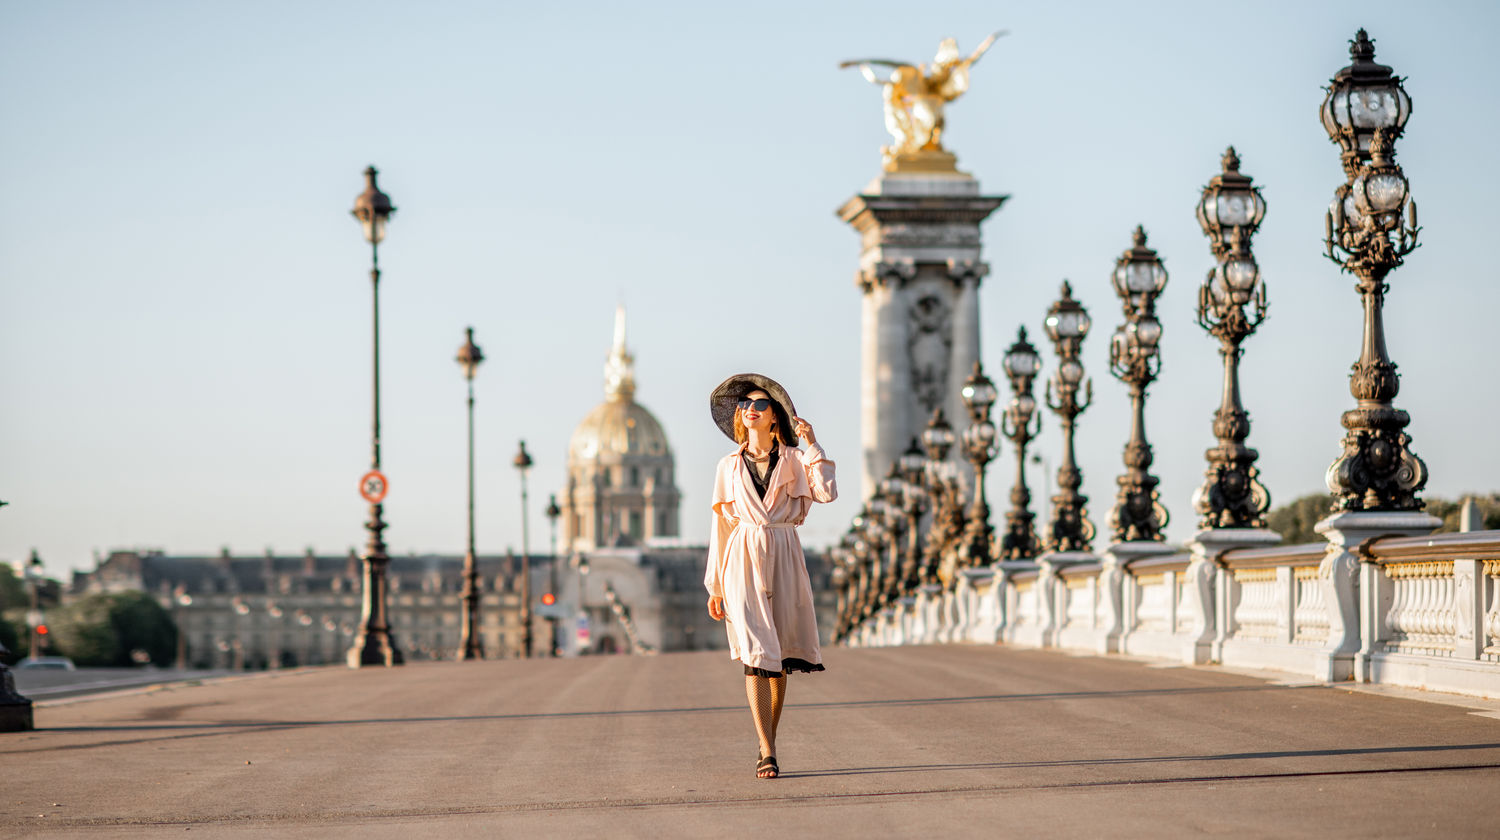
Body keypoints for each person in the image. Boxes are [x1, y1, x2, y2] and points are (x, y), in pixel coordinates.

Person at [705, 373, 837, 779]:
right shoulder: (728, 466)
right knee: (755, 653)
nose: (750, 409)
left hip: (784, 552)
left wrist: (812, 444)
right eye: (745, 404)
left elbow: (826, 493)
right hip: (742, 556)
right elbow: (721, 528)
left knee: (778, 659)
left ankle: (770, 740)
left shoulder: (796, 459)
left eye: (759, 404)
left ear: (774, 416)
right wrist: (715, 586)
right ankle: (766, 748)